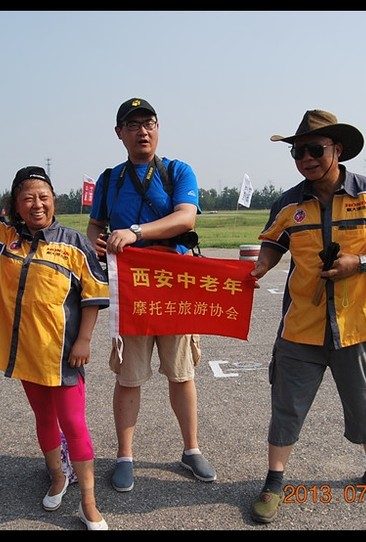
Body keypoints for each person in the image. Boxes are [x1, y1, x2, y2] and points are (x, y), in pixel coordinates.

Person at [248, 110, 366, 524]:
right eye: (298, 151)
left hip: (358, 322)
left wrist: (359, 262)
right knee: (286, 404)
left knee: (365, 401)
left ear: (337, 150)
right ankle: (273, 481)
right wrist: (261, 267)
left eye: (314, 149)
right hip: (301, 324)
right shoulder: (288, 202)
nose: (305, 158)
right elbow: (274, 242)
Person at [0, 148, 110, 530]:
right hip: (25, 355)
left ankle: (88, 499)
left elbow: (94, 294)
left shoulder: (73, 242)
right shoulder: (6, 237)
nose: (37, 204)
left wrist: (84, 341)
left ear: (53, 200)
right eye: (27, 198)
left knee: (74, 424)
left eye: (43, 197)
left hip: (64, 355)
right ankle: (57, 475)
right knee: (43, 419)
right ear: (16, 206)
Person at [86, 97, 216, 493]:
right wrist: (99, 243)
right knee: (129, 375)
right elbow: (95, 226)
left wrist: (136, 232)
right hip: (132, 287)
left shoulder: (178, 170)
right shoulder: (110, 179)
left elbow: (185, 217)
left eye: (149, 123)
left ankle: (191, 449)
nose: (143, 131)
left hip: (175, 282)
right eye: (133, 125)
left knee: (182, 372)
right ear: (119, 133)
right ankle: (125, 455)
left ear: (158, 128)